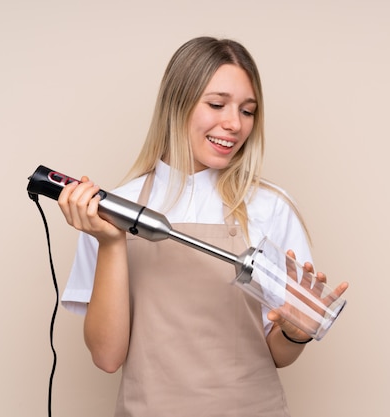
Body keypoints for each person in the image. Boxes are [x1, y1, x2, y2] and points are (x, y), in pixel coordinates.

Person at [58, 36, 348, 417]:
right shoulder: (114, 209)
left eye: (248, 111)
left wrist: (298, 331)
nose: (234, 124)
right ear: (176, 104)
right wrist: (111, 243)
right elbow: (107, 357)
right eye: (216, 104)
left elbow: (278, 354)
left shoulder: (269, 207)